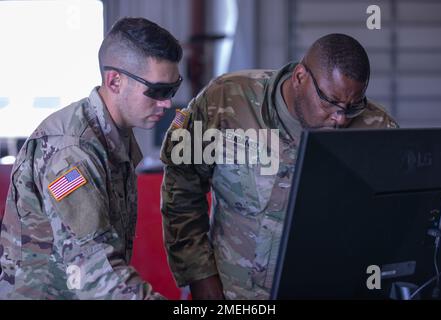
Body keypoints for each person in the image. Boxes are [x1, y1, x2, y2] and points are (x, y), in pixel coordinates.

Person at [160, 33, 398, 300]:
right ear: (299, 77)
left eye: (353, 107)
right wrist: (199, 275)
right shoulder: (226, 99)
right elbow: (181, 186)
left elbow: (393, 224)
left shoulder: (377, 131)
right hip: (235, 295)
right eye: (330, 102)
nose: (341, 119)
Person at [0, 17, 183, 299]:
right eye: (157, 91)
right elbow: (96, 271)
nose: (167, 103)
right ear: (115, 81)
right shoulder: (71, 152)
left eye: (173, 89)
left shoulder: (111, 137)